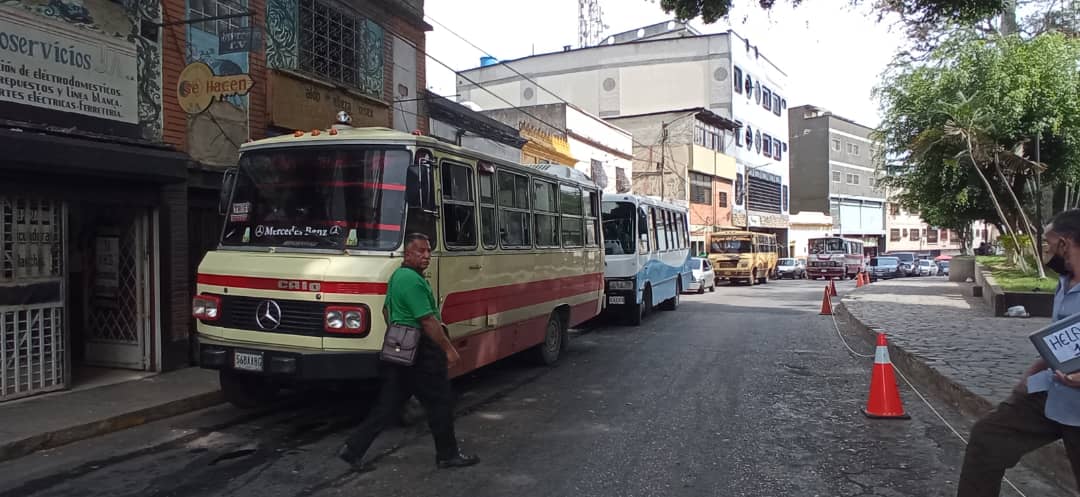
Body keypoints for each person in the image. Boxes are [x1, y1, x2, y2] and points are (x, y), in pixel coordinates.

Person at [957, 210, 1080, 496]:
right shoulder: (1064, 285)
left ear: (1067, 242)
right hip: (1051, 394)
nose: (1047, 252)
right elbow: (1058, 343)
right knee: (987, 438)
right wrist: (1029, 378)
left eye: (1049, 245)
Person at [338, 233, 479, 472]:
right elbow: (427, 321)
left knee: (388, 405)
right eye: (420, 251)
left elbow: (386, 310)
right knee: (441, 402)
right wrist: (448, 350)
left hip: (400, 350)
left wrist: (398, 333)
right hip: (422, 351)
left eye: (428, 251)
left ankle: (353, 449)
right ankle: (448, 455)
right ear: (407, 253)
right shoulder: (412, 281)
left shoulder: (396, 276)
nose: (426, 256)